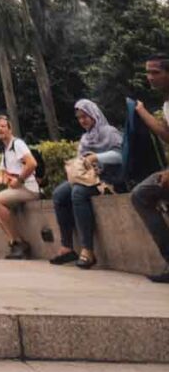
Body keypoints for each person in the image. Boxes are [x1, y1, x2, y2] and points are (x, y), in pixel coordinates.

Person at [50, 99, 123, 269]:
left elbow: (120, 156)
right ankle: (67, 246)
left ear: (94, 114)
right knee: (59, 194)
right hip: (88, 178)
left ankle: (88, 250)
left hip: (108, 179)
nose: (83, 120)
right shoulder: (85, 138)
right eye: (79, 118)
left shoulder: (109, 132)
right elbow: (82, 160)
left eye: (85, 116)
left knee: (78, 193)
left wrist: (97, 157)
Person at [132, 56, 169, 282]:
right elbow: (167, 135)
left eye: (155, 72)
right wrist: (142, 112)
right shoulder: (166, 104)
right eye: (147, 72)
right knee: (141, 194)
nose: (150, 77)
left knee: (142, 194)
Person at [0, 115, 40, 259]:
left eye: (3, 126)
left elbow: (32, 163)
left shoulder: (17, 144)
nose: (0, 129)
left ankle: (20, 243)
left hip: (29, 189)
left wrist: (20, 179)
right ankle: (15, 242)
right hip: (17, 190)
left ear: (10, 129)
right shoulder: (6, 149)